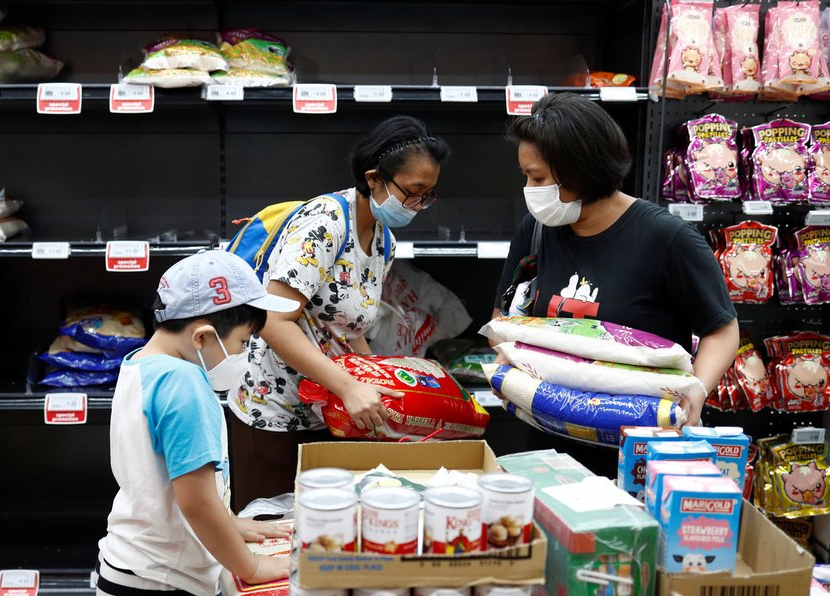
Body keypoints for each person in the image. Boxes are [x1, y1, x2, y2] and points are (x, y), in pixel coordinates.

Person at [491, 93, 739, 477]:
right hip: (547, 444)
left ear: (579, 172)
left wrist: (698, 389)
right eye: (526, 175)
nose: (529, 188)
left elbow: (721, 329)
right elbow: (503, 321)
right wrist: (510, 367)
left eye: (537, 178)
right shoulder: (537, 230)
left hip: (637, 453)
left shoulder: (667, 239)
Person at [228, 116, 450, 512]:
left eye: (427, 196)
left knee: (323, 531)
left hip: (326, 414)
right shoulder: (325, 223)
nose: (417, 206)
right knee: (271, 538)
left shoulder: (384, 240)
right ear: (374, 178)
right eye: (413, 192)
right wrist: (349, 387)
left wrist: (381, 388)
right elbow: (274, 321)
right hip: (275, 413)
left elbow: (350, 327)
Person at [96, 250, 297, 596]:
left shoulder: (141, 364)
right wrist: (253, 568)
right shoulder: (186, 384)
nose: (245, 353)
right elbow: (196, 501)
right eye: (243, 342)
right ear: (203, 336)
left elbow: (164, 482)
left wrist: (232, 525)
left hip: (133, 571)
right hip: (163, 591)